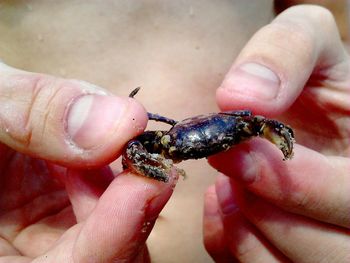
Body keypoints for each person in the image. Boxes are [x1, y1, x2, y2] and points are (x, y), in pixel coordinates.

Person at [0, 1, 349, 262]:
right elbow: (132, 152)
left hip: (274, 226)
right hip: (46, 229)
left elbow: (331, 16)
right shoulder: (158, 142)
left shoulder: (247, 123)